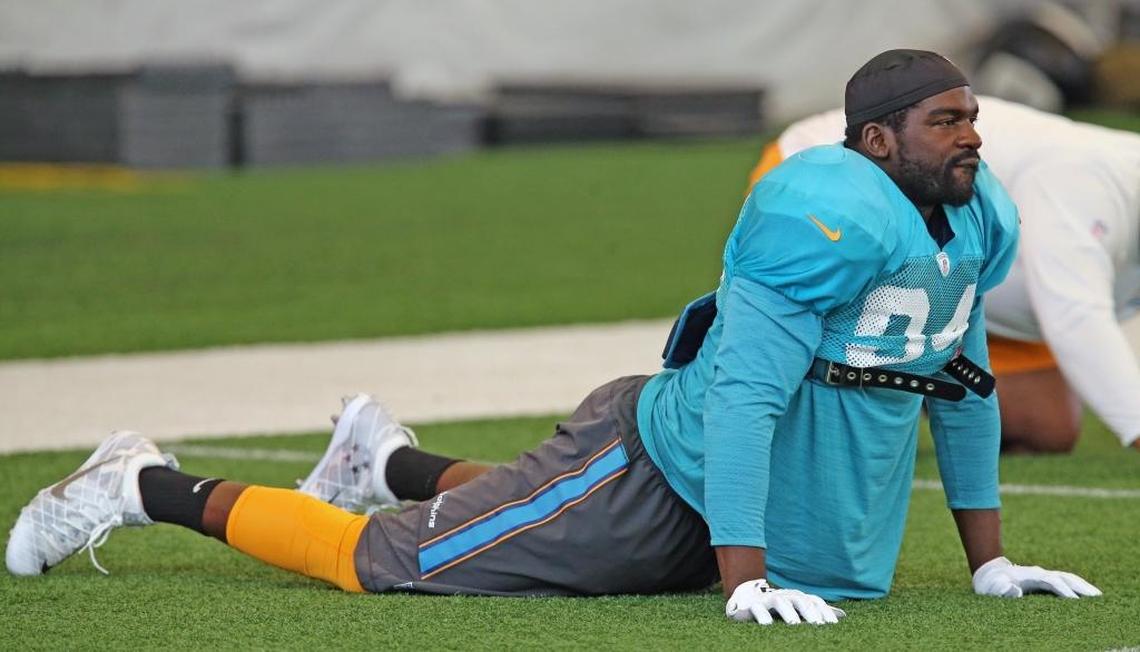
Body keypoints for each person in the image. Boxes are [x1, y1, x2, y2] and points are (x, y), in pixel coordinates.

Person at [6, 50, 1102, 626]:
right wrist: (741, 580)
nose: (975, 136)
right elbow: (744, 404)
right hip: (661, 468)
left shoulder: (973, 217)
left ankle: (380, 459)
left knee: (529, 535)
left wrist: (991, 563)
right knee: (392, 562)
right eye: (946, 120)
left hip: (746, 497)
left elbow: (958, 384)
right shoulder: (821, 218)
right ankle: (146, 484)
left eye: (972, 115)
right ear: (874, 140)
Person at [747, 96, 1140, 454]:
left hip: (969, 283)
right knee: (830, 426)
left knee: (1045, 425)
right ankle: (735, 345)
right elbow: (1076, 318)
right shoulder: (1090, 179)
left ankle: (914, 363)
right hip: (824, 175)